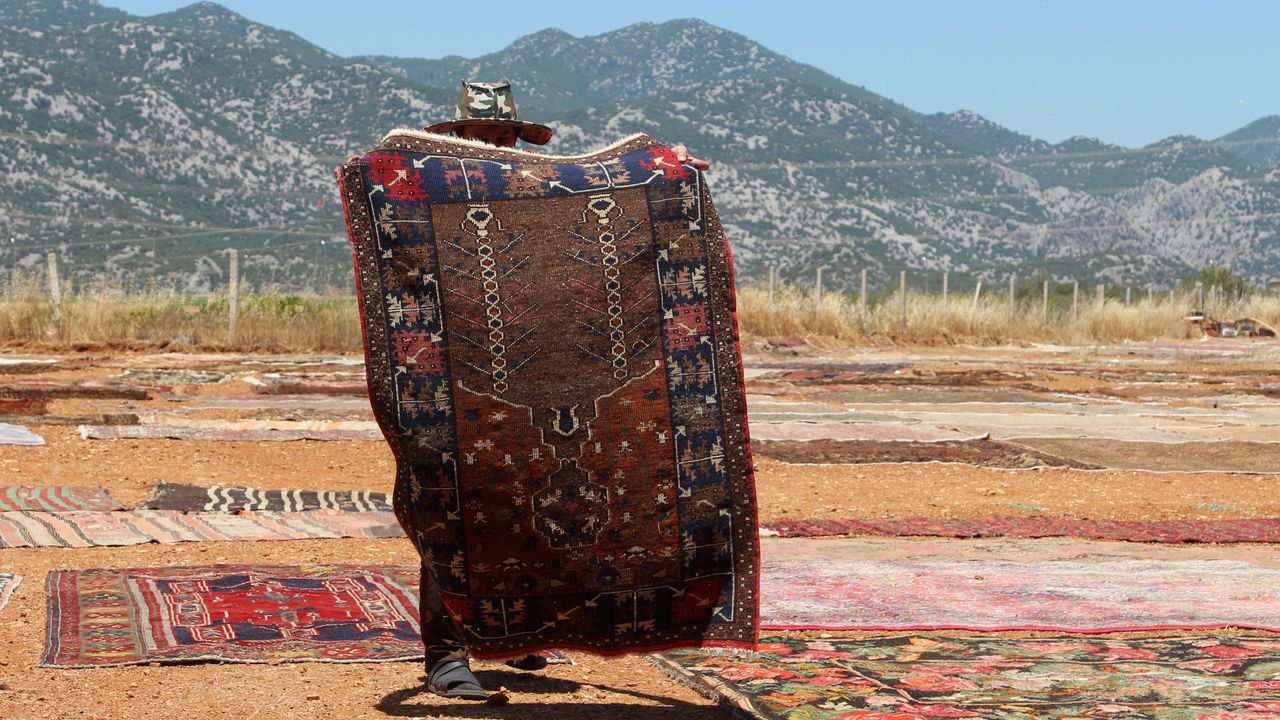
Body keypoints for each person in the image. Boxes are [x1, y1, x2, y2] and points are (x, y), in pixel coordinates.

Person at [412, 80, 709, 701]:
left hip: (551, 372)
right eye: (483, 136)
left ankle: (515, 633)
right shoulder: (427, 183)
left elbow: (612, 207)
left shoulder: (547, 187)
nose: (495, 146)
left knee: (534, 501)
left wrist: (670, 168)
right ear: (460, 135)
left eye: (503, 136)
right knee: (457, 509)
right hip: (461, 377)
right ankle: (446, 655)